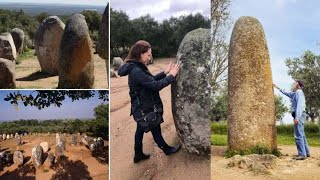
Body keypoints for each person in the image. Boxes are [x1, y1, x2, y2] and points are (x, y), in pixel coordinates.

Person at [118, 40, 182, 163]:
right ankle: (166, 149)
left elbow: (150, 80)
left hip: (140, 107)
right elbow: (155, 86)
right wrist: (172, 76)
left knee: (140, 129)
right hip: (144, 108)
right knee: (155, 127)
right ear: (140, 54)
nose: (150, 57)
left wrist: (165, 73)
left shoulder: (135, 67)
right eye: (148, 55)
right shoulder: (136, 71)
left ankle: (138, 154)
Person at [273, 80, 310, 160]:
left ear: (297, 84)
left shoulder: (299, 92)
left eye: (294, 83)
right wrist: (277, 87)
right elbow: (288, 93)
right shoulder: (296, 93)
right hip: (301, 115)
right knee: (302, 134)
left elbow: (299, 106)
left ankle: (302, 154)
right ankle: (306, 153)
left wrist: (297, 117)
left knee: (298, 135)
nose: (292, 84)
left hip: (299, 115)